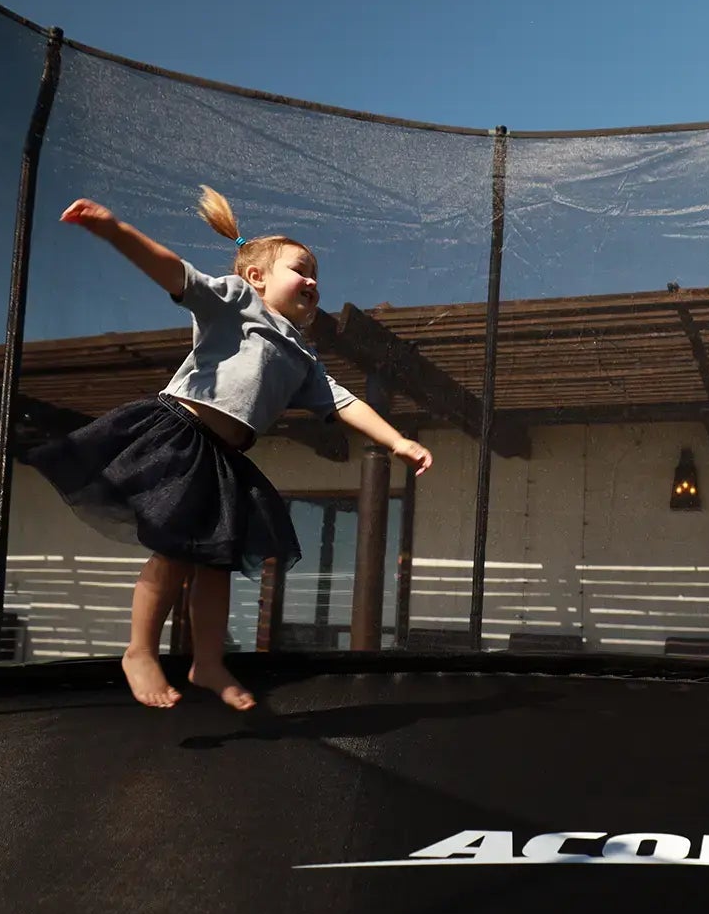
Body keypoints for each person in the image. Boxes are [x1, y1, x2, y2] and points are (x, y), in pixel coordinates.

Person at [29, 187, 432, 712]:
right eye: (299, 269)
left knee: (215, 564)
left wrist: (398, 440)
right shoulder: (234, 303)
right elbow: (174, 272)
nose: (312, 281)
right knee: (173, 552)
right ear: (257, 277)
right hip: (179, 434)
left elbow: (342, 400)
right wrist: (112, 229)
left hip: (224, 460)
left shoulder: (302, 356)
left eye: (316, 276)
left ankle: (209, 661)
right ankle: (140, 651)